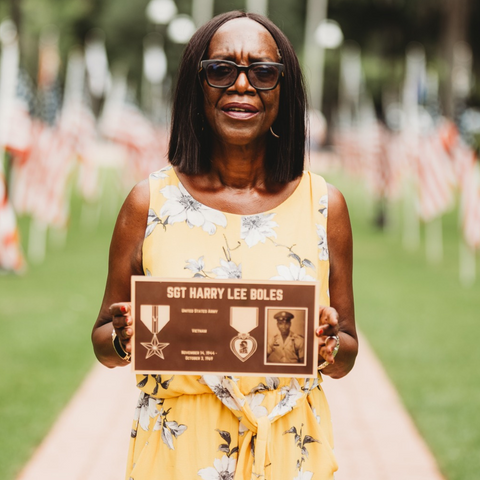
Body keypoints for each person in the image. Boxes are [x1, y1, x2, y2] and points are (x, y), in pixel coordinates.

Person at [92, 10, 357, 480]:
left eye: (262, 72)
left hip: (287, 449)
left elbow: (347, 348)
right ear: (198, 86)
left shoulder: (325, 206)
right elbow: (103, 343)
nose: (241, 85)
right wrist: (121, 335)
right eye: (221, 70)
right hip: (176, 452)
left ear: (283, 90)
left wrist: (329, 345)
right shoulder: (148, 202)